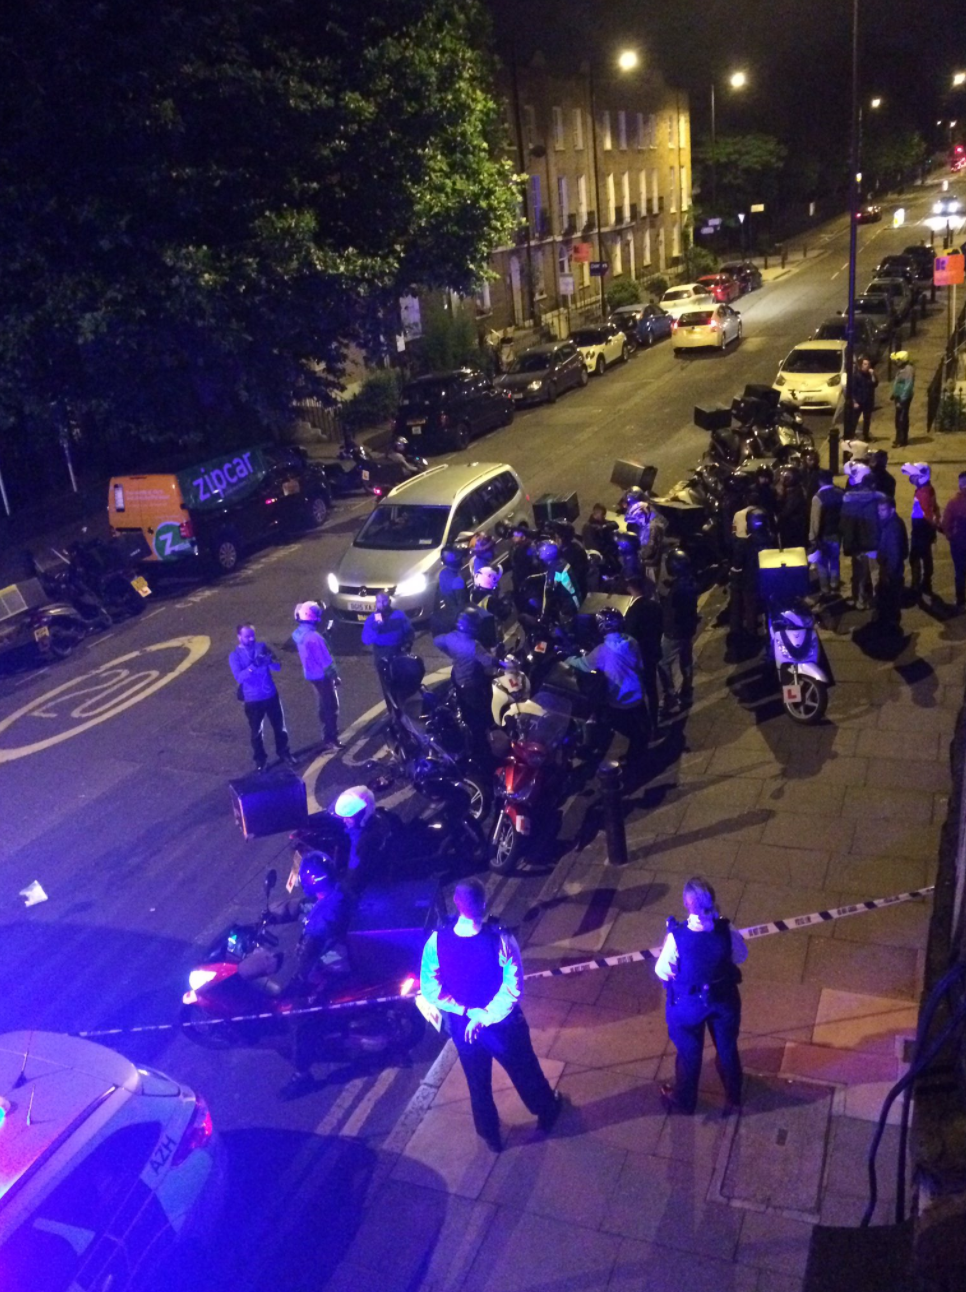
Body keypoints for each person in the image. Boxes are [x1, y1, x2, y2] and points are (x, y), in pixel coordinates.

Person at [419, 878, 562, 1152]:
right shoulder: (500, 938)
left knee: (477, 1082)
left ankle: (491, 1136)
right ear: (483, 904)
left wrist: (465, 1012)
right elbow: (513, 987)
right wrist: (483, 1016)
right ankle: (547, 1111)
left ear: (456, 905)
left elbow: (430, 988)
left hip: (464, 1029)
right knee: (525, 1071)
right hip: (503, 1027)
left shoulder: (437, 941)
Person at [654, 875, 747, 1116]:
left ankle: (685, 1101)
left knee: (689, 1054)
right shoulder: (726, 929)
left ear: (687, 904)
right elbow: (740, 956)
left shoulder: (678, 937)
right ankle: (734, 1097)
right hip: (723, 1000)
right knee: (727, 1049)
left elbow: (662, 970)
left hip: (688, 1006)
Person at [277, 851, 355, 1098]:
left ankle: (302, 1074)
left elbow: (307, 957)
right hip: (341, 952)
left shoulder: (320, 921)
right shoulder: (337, 894)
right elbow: (308, 906)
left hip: (335, 966)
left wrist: (298, 982)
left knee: (299, 1016)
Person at [567, 606, 648, 767]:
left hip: (619, 700)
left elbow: (584, 665)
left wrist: (567, 657)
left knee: (616, 723)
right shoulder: (631, 641)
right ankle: (640, 746)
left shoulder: (601, 651)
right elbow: (640, 664)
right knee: (640, 724)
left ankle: (633, 756)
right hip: (638, 692)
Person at [433, 608, 499, 755]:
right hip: (472, 686)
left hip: (458, 680)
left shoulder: (450, 638)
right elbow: (488, 662)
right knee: (478, 720)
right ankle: (482, 750)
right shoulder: (474, 645)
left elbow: (437, 640)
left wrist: (451, 653)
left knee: (466, 712)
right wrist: (501, 662)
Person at [229, 624, 293, 771]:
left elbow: (278, 667)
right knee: (256, 733)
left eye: (253, 635)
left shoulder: (262, 647)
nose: (251, 639)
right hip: (253, 700)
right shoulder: (235, 655)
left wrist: (270, 660)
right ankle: (260, 761)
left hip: (270, 695)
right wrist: (253, 666)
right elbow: (239, 677)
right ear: (239, 637)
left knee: (280, 728)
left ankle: (284, 753)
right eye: (247, 636)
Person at [292, 602, 342, 751]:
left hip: (311, 675)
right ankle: (331, 739)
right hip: (322, 676)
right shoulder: (315, 638)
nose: (319, 620)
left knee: (322, 704)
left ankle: (325, 735)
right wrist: (335, 677)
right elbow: (326, 661)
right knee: (331, 707)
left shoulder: (299, 634)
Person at [658, 550, 699, 716]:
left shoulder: (678, 591)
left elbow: (673, 610)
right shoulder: (689, 582)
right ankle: (687, 689)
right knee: (686, 658)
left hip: (674, 632)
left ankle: (670, 696)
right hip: (687, 630)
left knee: (663, 662)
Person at [840, 461, 885, 610]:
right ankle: (876, 599)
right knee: (875, 573)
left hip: (857, 543)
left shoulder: (848, 498)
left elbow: (844, 523)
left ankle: (859, 600)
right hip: (874, 542)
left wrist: (847, 542)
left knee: (858, 574)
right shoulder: (879, 497)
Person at [623, 576, 663, 729]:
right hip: (653, 651)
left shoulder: (632, 612)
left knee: (641, 691)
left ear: (630, 589)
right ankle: (655, 722)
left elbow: (630, 636)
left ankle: (646, 725)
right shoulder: (654, 605)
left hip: (640, 657)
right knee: (652, 689)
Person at [901, 463, 941, 599]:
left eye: (914, 476)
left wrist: (937, 526)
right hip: (925, 531)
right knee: (926, 557)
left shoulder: (922, 493)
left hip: (921, 531)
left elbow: (928, 514)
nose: (911, 478)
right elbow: (934, 508)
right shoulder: (928, 489)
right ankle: (926, 583)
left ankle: (917, 585)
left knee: (915, 558)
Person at [874, 497, 909, 632]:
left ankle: (891, 625)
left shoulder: (893, 528)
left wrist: (889, 574)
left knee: (890, 599)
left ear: (892, 510)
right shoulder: (891, 523)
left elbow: (895, 554)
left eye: (883, 510)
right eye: (878, 510)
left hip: (891, 572)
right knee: (891, 598)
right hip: (890, 570)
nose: (879, 513)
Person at [808, 470, 843, 598]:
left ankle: (825, 588)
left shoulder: (818, 497)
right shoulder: (840, 493)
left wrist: (813, 537)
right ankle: (835, 585)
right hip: (837, 534)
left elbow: (815, 520)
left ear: (819, 481)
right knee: (834, 560)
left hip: (823, 535)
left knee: (822, 563)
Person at [362, 592, 415, 666]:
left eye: (384, 601)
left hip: (398, 650)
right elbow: (366, 640)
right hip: (381, 652)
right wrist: (376, 626)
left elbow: (409, 631)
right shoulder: (372, 619)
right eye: (379, 602)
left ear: (389, 602)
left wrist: (408, 644)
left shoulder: (399, 614)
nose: (382, 604)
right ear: (376, 603)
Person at [941, 471, 966, 609]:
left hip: (959, 543)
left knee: (960, 572)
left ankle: (961, 600)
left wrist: (949, 535)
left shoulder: (954, 502)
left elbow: (946, 523)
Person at [435, 545, 470, 631]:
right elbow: (462, 604)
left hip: (447, 613)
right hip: (456, 617)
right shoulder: (457, 580)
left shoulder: (442, 573)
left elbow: (439, 594)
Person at [775, 467, 810, 549]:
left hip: (795, 529)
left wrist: (778, 517)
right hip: (789, 529)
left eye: (787, 477)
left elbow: (787, 511)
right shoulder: (788, 491)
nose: (784, 480)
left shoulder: (796, 493)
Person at [850, 355, 879, 441]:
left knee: (867, 419)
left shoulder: (870, 375)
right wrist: (854, 401)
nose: (867, 366)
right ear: (861, 365)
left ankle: (866, 436)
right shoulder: (856, 376)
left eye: (868, 364)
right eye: (865, 364)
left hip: (868, 401)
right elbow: (852, 389)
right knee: (854, 419)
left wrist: (873, 374)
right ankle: (851, 435)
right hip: (859, 400)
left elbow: (875, 384)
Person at [890, 351, 915, 448]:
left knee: (901, 419)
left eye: (898, 360)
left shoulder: (908, 370)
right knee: (899, 418)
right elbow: (899, 383)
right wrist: (894, 394)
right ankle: (899, 438)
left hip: (903, 398)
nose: (896, 362)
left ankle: (901, 440)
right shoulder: (903, 368)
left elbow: (908, 386)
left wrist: (902, 400)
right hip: (899, 396)